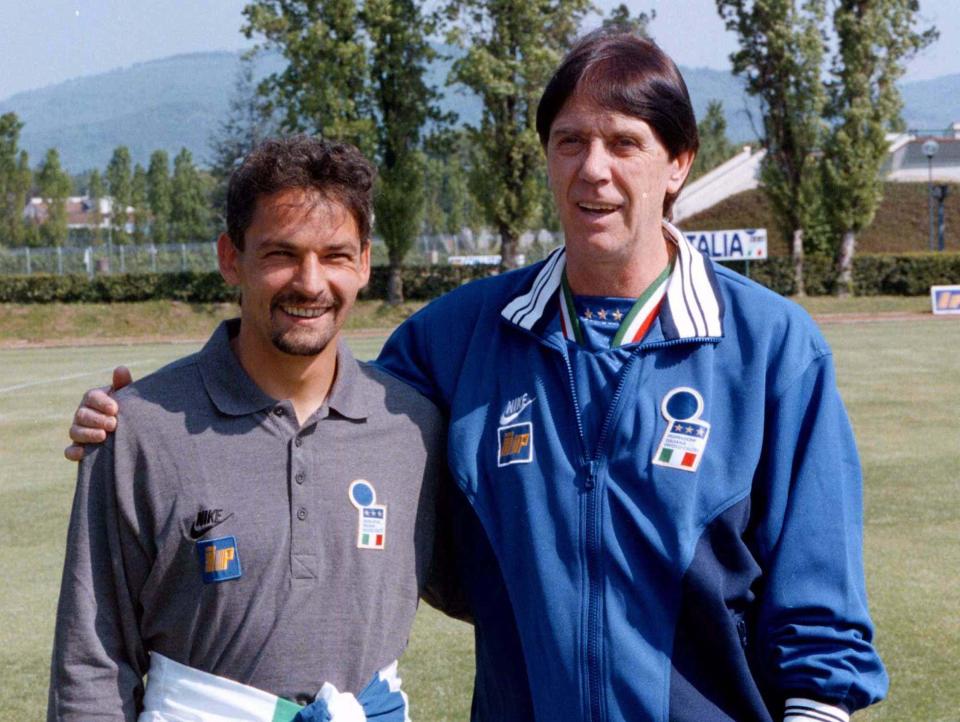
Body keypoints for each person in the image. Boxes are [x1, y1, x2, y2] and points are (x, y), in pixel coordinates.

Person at [66, 31, 888, 722]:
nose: (593, 169)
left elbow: (818, 624)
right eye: (570, 141)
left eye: (625, 142)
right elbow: (315, 419)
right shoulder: (455, 338)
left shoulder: (773, 349)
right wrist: (143, 421)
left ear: (677, 163)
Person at [49, 135, 451, 722]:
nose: (310, 283)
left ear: (364, 262)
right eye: (281, 254)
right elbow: (92, 662)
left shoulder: (413, 426)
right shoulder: (136, 428)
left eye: (335, 255)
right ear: (230, 258)